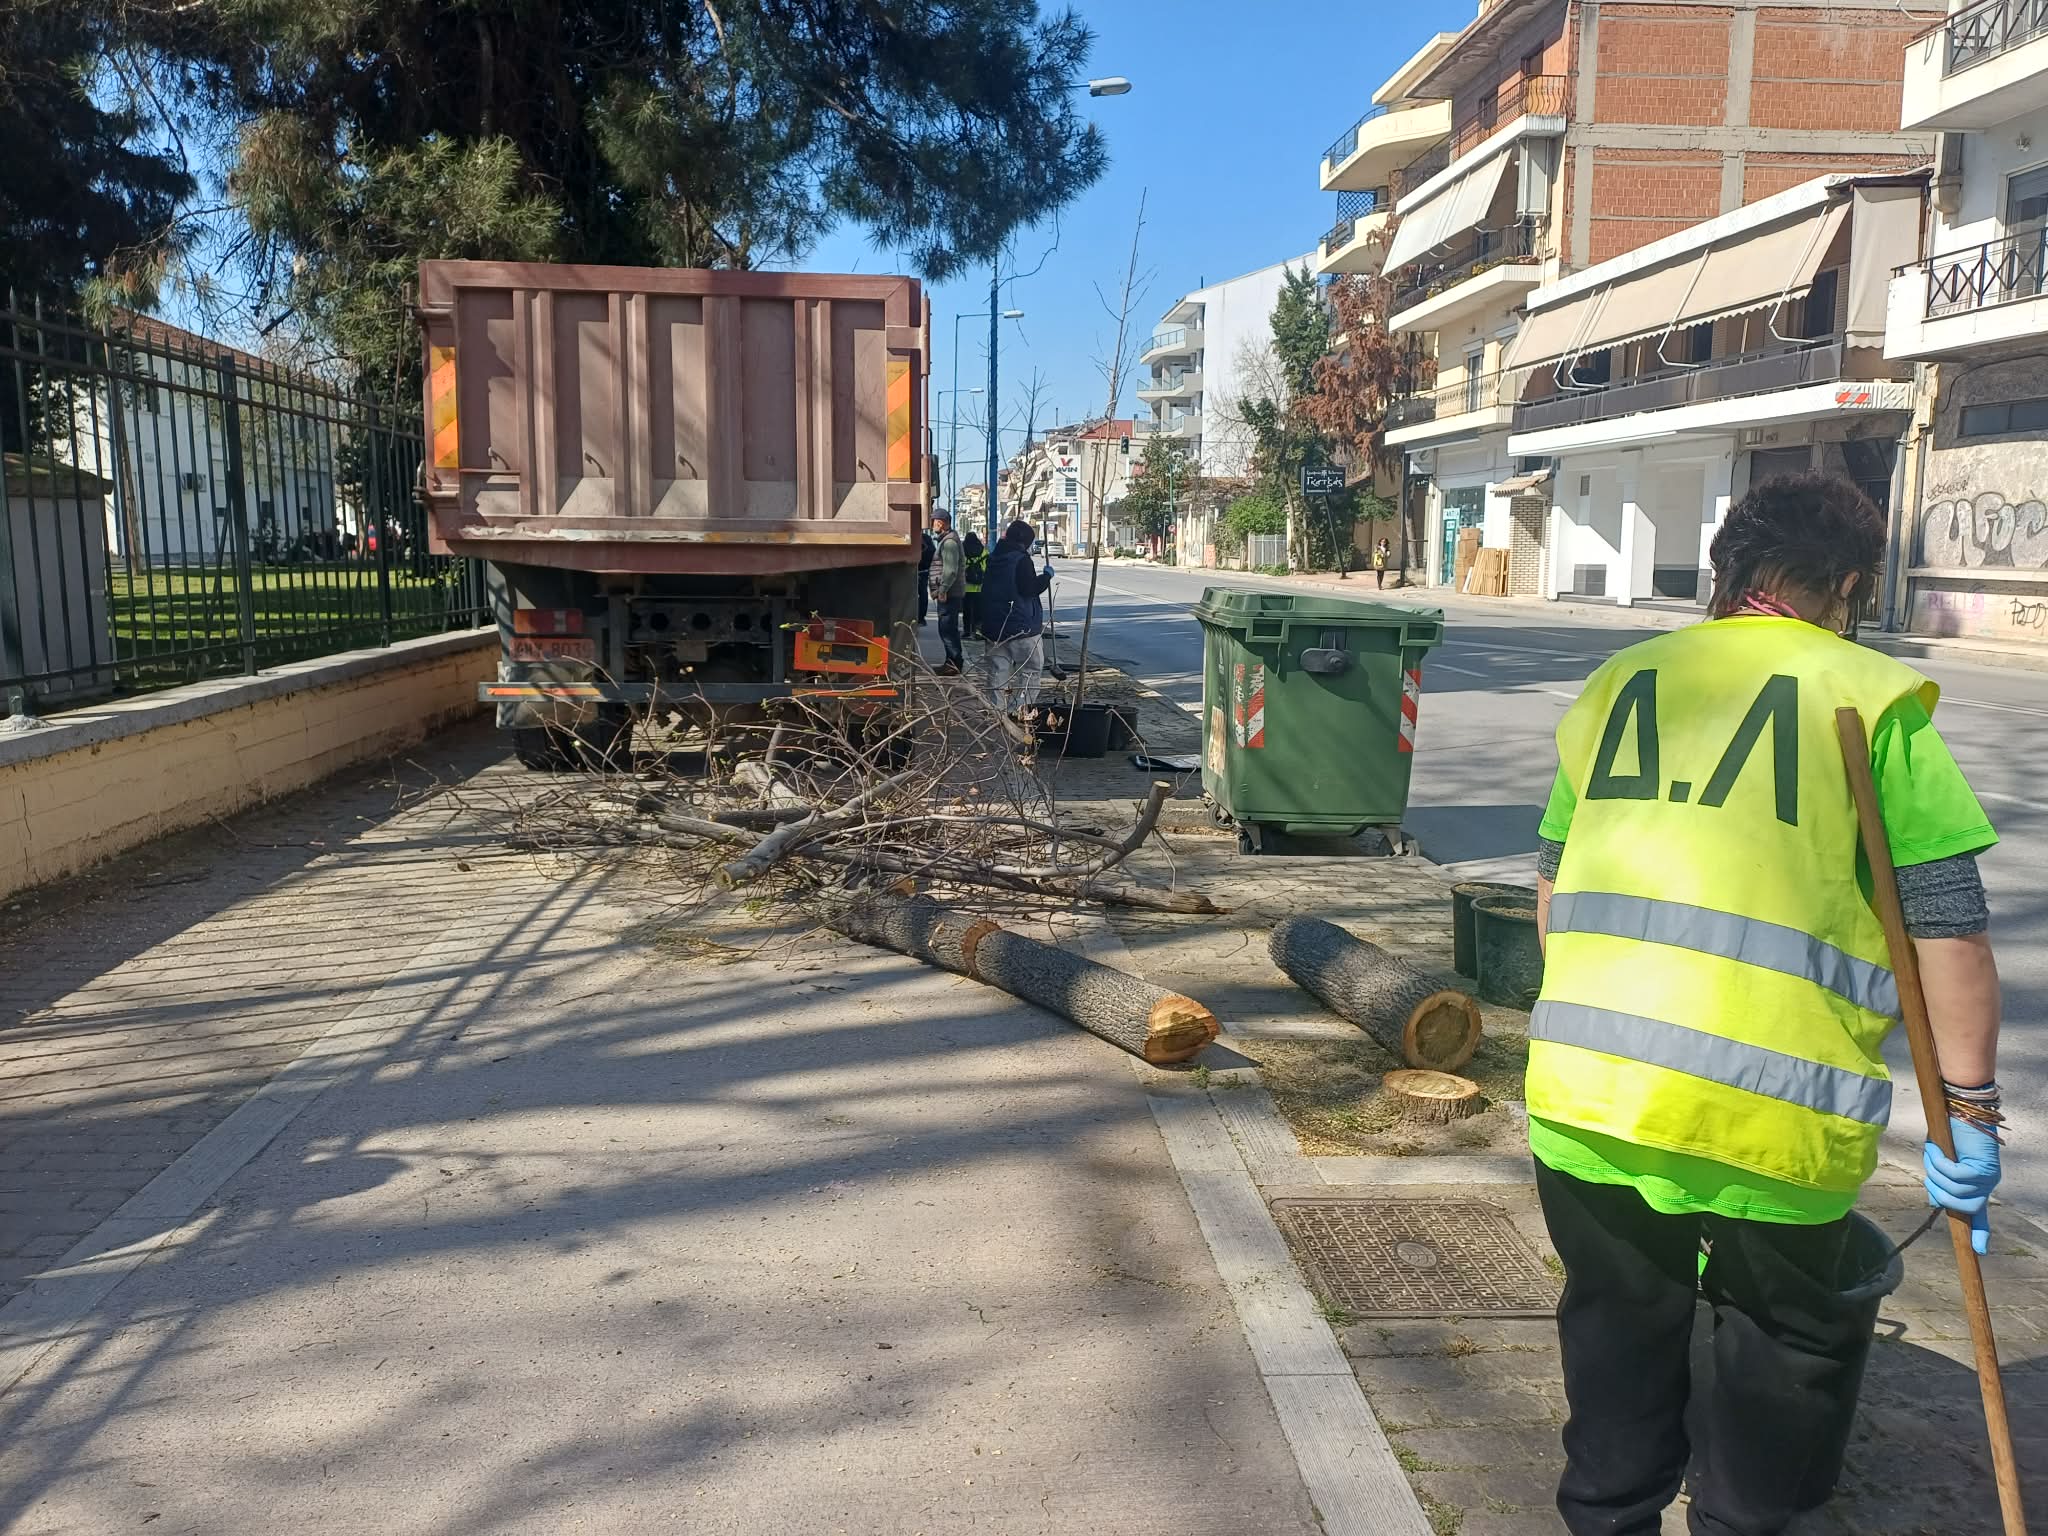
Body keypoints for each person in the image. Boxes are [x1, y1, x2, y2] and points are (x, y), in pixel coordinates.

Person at [1529, 471, 2003, 1536]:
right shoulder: (1863, 696)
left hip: (1589, 1094)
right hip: (1769, 1114)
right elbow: (1945, 928)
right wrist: (1966, 1113)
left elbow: (1553, 883)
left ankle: (1609, 1517)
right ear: (1842, 583)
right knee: (1785, 1344)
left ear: (1726, 574)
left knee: (1615, 1331)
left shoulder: (1619, 682)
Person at [980, 518, 1055, 726]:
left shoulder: (995, 558)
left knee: (998, 671)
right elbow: (1028, 588)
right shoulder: (1021, 560)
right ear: (1024, 542)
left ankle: (997, 714)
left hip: (994, 626)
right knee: (1031, 669)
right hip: (1021, 627)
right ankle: (1022, 711)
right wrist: (1046, 577)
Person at [929, 509, 966, 675]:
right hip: (950, 593)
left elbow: (950, 570)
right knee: (948, 629)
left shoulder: (949, 543)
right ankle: (952, 662)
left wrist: (943, 589)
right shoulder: (947, 540)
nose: (931, 525)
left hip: (949, 594)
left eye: (933, 521)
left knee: (947, 629)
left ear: (941, 522)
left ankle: (953, 663)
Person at [962, 530, 987, 645]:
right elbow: (987, 568)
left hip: (966, 587)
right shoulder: (984, 552)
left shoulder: (962, 551)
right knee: (979, 611)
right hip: (980, 587)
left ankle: (967, 631)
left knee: (967, 611)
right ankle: (978, 631)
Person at [917, 528, 935, 626]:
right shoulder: (927, 539)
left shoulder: (916, 538)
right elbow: (933, 553)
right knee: (923, 594)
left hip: (916, 569)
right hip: (924, 571)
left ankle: (915, 617)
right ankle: (921, 618)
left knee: (914, 594)